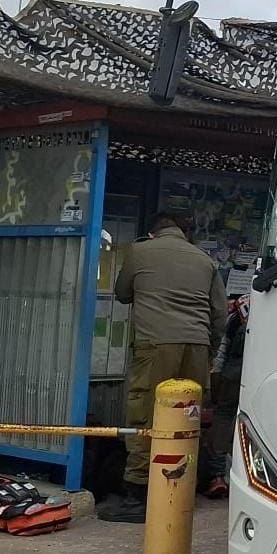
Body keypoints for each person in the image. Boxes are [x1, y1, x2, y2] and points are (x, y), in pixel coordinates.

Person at [97, 210, 227, 524]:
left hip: (156, 345)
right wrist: (207, 351)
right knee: (187, 419)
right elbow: (220, 315)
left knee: (146, 415)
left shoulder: (140, 251)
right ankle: (179, 490)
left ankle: (137, 496)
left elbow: (122, 293)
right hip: (197, 347)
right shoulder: (204, 260)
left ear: (153, 232)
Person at [201, 292, 246, 499]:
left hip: (232, 372)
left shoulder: (238, 310)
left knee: (223, 417)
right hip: (263, 371)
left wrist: (216, 374)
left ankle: (217, 476)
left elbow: (223, 346)